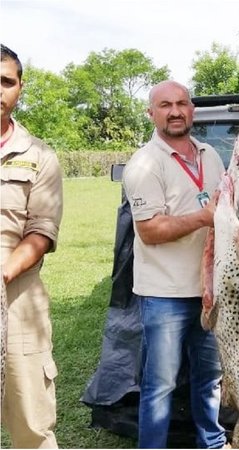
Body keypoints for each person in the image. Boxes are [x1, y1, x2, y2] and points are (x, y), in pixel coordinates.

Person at [122, 80, 227, 449]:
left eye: (182, 103)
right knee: (161, 385)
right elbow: (149, 231)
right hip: (165, 295)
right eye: (165, 105)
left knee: (210, 377)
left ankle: (212, 442)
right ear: (151, 113)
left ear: (192, 109)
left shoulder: (210, 155)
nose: (175, 111)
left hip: (210, 293)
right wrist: (205, 216)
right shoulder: (144, 164)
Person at [0, 44, 64, 448]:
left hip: (19, 303)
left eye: (6, 81)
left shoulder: (39, 155)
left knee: (32, 428)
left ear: (20, 88)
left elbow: (41, 233)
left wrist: (4, 270)